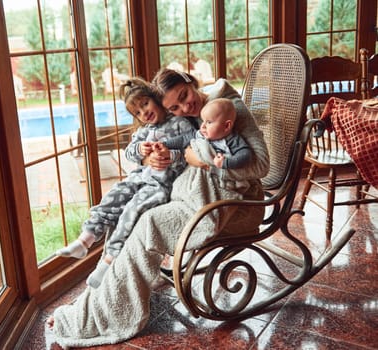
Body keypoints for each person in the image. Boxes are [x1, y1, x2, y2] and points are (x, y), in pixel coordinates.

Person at [47, 70, 270, 348]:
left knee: (147, 225)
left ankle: (100, 314)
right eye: (174, 107)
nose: (185, 107)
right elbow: (181, 147)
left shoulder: (227, 108)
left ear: (191, 82)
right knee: (130, 216)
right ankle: (92, 302)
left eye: (184, 96)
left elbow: (261, 165)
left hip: (232, 208)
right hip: (190, 195)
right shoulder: (187, 118)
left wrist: (202, 159)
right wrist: (158, 157)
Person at [56, 77, 195, 288]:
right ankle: (85, 239)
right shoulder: (143, 131)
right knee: (113, 194)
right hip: (138, 178)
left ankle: (108, 261)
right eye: (137, 112)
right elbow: (130, 151)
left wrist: (171, 155)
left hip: (159, 186)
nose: (144, 113)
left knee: (132, 209)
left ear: (156, 99)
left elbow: (190, 146)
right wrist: (140, 150)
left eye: (145, 104)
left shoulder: (179, 123)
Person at [164, 97, 252, 192]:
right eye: (203, 121)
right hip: (194, 176)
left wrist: (225, 163)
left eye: (209, 122)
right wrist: (164, 144)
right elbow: (183, 139)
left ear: (226, 126)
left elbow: (246, 155)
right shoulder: (200, 134)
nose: (203, 126)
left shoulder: (232, 140)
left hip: (216, 182)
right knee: (179, 187)